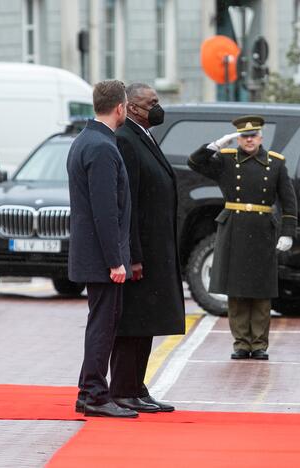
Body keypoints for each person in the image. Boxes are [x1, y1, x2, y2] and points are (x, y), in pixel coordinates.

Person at [188, 116, 297, 360]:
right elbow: (195, 162)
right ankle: (241, 343)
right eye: (244, 136)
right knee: (235, 289)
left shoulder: (275, 163)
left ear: (261, 137)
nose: (249, 140)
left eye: (253, 136)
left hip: (262, 230)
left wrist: (288, 232)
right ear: (238, 138)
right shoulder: (226, 160)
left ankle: (258, 344)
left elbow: (288, 201)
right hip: (234, 227)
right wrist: (216, 145)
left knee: (261, 289)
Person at [110, 83, 185, 413]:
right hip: (142, 253)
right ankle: (123, 389)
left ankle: (137, 387)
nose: (158, 107)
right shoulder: (126, 139)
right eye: (152, 102)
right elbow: (130, 204)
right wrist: (134, 255)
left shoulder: (144, 136)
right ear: (134, 108)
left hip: (158, 248)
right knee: (134, 322)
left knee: (148, 321)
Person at [67, 80, 136, 418]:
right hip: (102, 257)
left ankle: (88, 390)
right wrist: (115, 260)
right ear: (120, 107)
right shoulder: (102, 147)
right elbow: (105, 210)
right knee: (103, 324)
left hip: (93, 254)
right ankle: (94, 394)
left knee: (101, 321)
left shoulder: (87, 140)